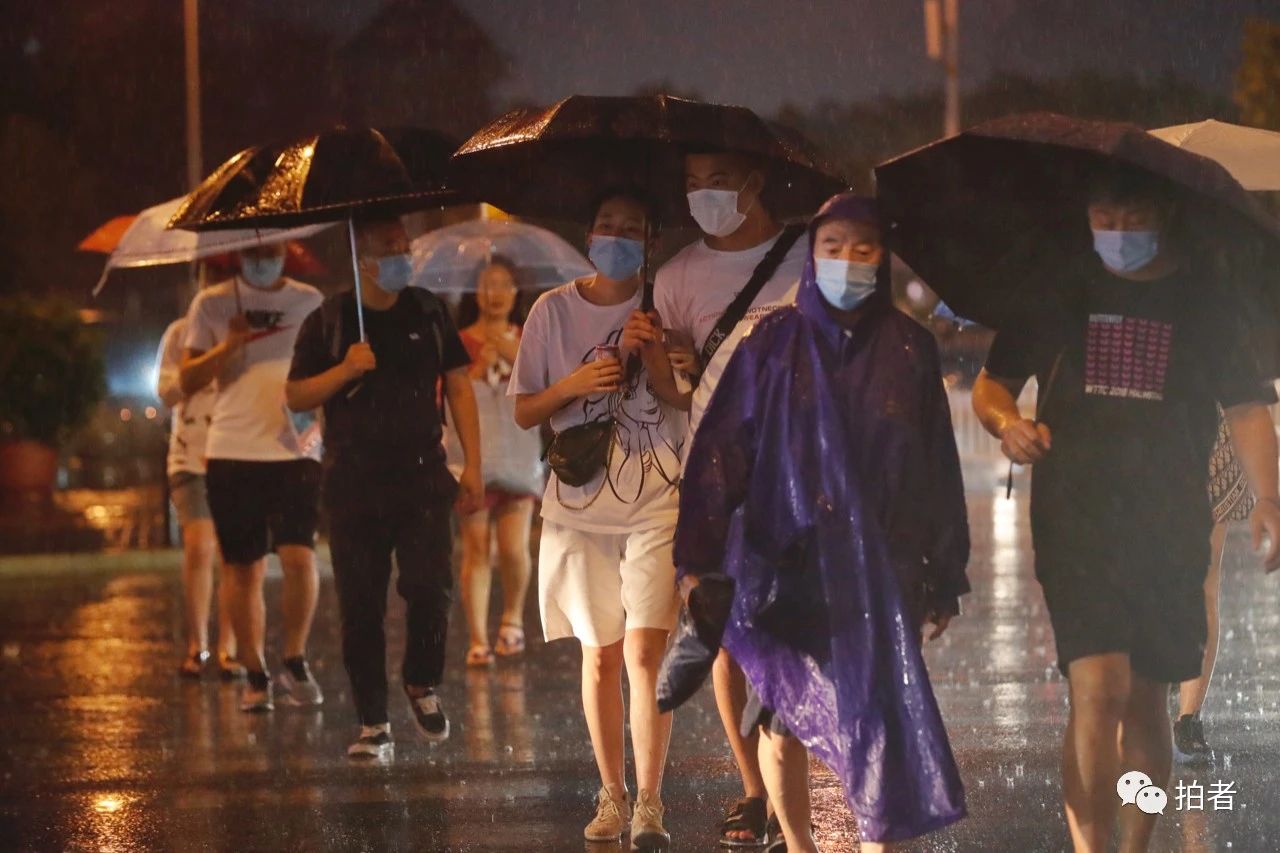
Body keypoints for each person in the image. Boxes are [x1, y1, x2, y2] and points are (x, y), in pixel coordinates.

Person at [972, 170, 1280, 853]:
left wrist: (1270, 498)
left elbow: (1248, 406)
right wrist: (1006, 423)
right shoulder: (1063, 282)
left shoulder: (1204, 297)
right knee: (1098, 684)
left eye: (1130, 214)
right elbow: (993, 382)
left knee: (1146, 698)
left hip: (1170, 518)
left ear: (1163, 212)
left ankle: (1134, 844)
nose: (1114, 231)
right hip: (1076, 514)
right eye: (1102, 214)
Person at [676, 194, 968, 853]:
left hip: (882, 566)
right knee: (782, 715)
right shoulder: (772, 344)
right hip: (787, 561)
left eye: (863, 248)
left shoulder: (909, 348)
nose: (848, 260)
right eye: (833, 246)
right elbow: (722, 450)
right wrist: (698, 555)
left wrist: (944, 573)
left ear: (883, 255)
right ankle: (799, 842)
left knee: (880, 715)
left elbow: (935, 467)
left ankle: (880, 842)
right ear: (812, 254)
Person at [627, 147, 808, 847]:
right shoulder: (675, 278)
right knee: (729, 636)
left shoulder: (805, 256)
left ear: (755, 183)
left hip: (797, 469)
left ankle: (792, 748)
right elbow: (682, 391)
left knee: (795, 625)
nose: (703, 195)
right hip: (717, 475)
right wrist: (650, 356)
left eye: (719, 182)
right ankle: (756, 790)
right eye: (692, 182)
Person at [510, 188, 683, 849]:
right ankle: (609, 792)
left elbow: (679, 396)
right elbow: (526, 409)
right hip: (579, 502)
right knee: (602, 652)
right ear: (589, 234)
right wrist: (574, 387)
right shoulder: (552, 311)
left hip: (655, 495)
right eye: (607, 224)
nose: (616, 236)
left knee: (646, 650)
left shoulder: (662, 304)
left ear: (650, 243)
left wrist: (655, 347)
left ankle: (649, 801)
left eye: (632, 228)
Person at [287, 216, 482, 761]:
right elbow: (298, 395)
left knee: (430, 587)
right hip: (352, 480)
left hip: (422, 474)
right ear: (361, 256)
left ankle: (421, 681)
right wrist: (345, 370)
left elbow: (460, 388)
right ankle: (373, 723)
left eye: (404, 246)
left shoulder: (428, 310)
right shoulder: (328, 320)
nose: (401, 255)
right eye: (388, 246)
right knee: (361, 606)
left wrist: (473, 465)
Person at [180, 242, 325, 713]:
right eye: (254, 251)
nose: (264, 258)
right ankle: (256, 672)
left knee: (300, 557)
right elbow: (187, 380)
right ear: (238, 252)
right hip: (232, 450)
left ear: (287, 248)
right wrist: (229, 345)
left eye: (273, 249)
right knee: (242, 566)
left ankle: (295, 657)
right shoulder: (212, 303)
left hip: (295, 448)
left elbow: (327, 369)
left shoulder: (310, 301)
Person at [449, 256, 538, 668]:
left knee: (515, 548)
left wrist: (517, 355)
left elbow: (548, 386)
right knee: (477, 549)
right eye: (488, 283)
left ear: (517, 293)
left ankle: (512, 618)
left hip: (519, 459)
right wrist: (478, 366)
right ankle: (479, 637)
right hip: (473, 460)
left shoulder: (528, 339)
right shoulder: (459, 342)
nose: (496, 292)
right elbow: (445, 395)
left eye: (504, 284)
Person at [155, 310, 243, 680]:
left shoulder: (250, 330)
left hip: (237, 453)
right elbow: (167, 391)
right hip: (189, 457)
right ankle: (197, 644)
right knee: (199, 545)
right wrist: (219, 354)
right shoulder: (179, 333)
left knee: (233, 554)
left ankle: (230, 647)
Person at [1174, 419, 1255, 764]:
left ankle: (1188, 718)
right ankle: (1139, 703)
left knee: (1202, 581)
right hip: (1138, 422)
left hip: (1209, 426)